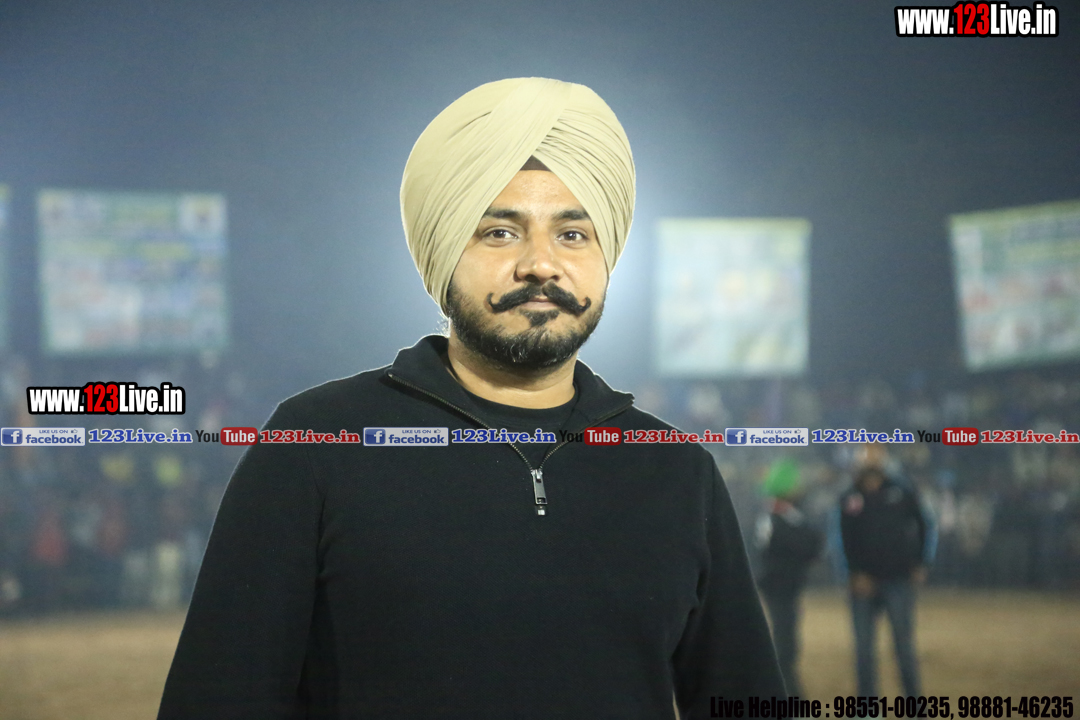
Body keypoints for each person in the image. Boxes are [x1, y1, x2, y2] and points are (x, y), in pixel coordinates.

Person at [157, 77, 784, 719]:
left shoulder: (676, 470)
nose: (541, 264)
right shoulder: (316, 444)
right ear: (443, 252)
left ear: (607, 256)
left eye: (572, 234)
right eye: (500, 232)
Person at [837, 456, 933, 697]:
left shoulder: (902, 491)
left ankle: (914, 705)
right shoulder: (849, 496)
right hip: (862, 584)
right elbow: (842, 538)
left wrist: (920, 562)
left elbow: (924, 524)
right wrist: (854, 573)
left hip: (898, 580)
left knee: (903, 647)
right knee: (864, 650)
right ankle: (867, 707)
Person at [755, 458, 823, 697]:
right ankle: (787, 693)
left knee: (786, 639)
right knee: (785, 642)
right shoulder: (777, 515)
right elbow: (808, 542)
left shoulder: (781, 515)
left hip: (785, 585)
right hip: (779, 586)